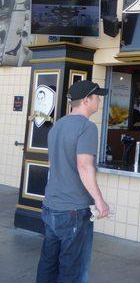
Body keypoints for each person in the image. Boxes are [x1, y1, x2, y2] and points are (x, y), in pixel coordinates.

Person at [36, 80, 110, 283]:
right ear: (86, 100)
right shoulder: (87, 127)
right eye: (97, 97)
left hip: (51, 205)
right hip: (73, 211)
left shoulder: (58, 125)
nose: (99, 101)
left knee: (48, 264)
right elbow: (84, 166)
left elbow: (53, 163)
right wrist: (99, 200)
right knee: (72, 270)